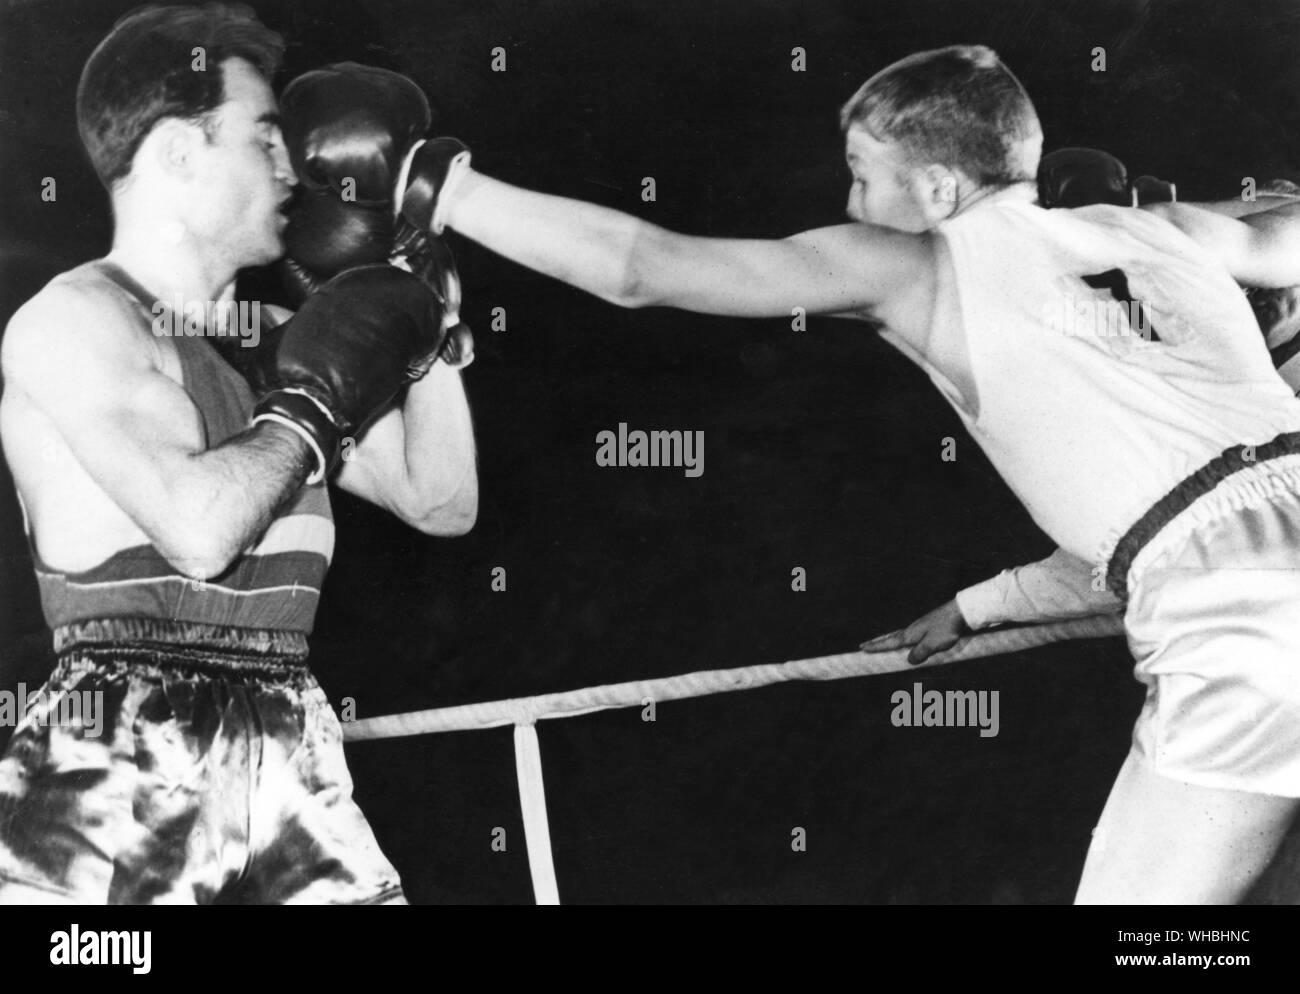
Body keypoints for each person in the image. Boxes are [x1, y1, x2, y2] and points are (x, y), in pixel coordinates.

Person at [315, 44, 1300, 902]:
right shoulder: (1166, 233)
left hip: (1236, 618)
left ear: (938, 190)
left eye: (864, 176)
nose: (849, 204)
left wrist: (439, 186)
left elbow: (640, 264)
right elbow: (1282, 228)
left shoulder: (916, 265)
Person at [0, 5, 477, 904]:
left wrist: (429, 324)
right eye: (265, 138)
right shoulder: (73, 320)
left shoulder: (285, 343)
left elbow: (439, 500)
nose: (293, 168)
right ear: (179, 152)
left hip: (290, 742)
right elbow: (197, 529)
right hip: (121, 765)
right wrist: (313, 402)